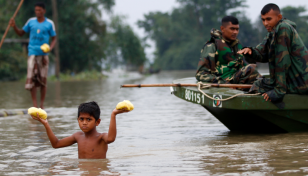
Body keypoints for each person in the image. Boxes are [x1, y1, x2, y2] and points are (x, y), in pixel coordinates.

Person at [238, 3, 308, 108]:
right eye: (263, 20)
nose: (265, 23)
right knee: (258, 82)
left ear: (279, 17)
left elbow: (282, 62)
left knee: (258, 85)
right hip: (293, 80)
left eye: (268, 19)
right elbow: (262, 53)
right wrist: (250, 51)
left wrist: (279, 91)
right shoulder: (272, 32)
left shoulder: (283, 28)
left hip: (301, 83)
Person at [30, 101, 129, 159]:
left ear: (97, 122)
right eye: (81, 119)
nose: (84, 122)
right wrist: (46, 124)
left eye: (89, 119)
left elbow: (111, 138)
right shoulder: (77, 136)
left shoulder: (101, 138)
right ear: (78, 120)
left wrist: (113, 114)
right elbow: (56, 144)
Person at [9, 2, 56, 109]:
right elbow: (21, 33)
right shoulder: (30, 22)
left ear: (44, 11)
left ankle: (41, 105)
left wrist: (50, 48)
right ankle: (35, 105)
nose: (37, 12)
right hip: (32, 53)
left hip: (44, 54)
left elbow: (54, 38)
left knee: (43, 80)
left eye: (39, 10)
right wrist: (14, 26)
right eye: (36, 10)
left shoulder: (49, 23)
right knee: (32, 79)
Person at [196, 16, 261, 85]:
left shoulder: (237, 45)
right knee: (251, 68)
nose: (235, 32)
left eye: (237, 29)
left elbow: (244, 66)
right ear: (222, 29)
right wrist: (224, 83)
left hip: (237, 80)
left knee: (255, 71)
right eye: (232, 29)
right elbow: (201, 74)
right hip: (222, 81)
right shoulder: (212, 45)